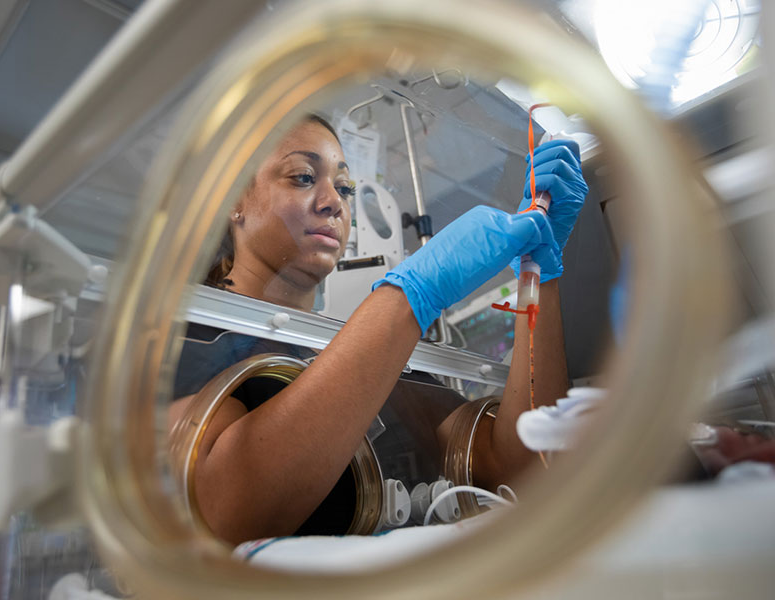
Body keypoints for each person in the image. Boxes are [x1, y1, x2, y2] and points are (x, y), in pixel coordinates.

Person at [169, 114, 589, 545]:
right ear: (232, 200)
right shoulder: (180, 340)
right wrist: (412, 294)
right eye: (302, 177)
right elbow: (221, 512)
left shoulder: (375, 353)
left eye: (345, 188)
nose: (334, 200)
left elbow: (523, 465)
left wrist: (539, 269)